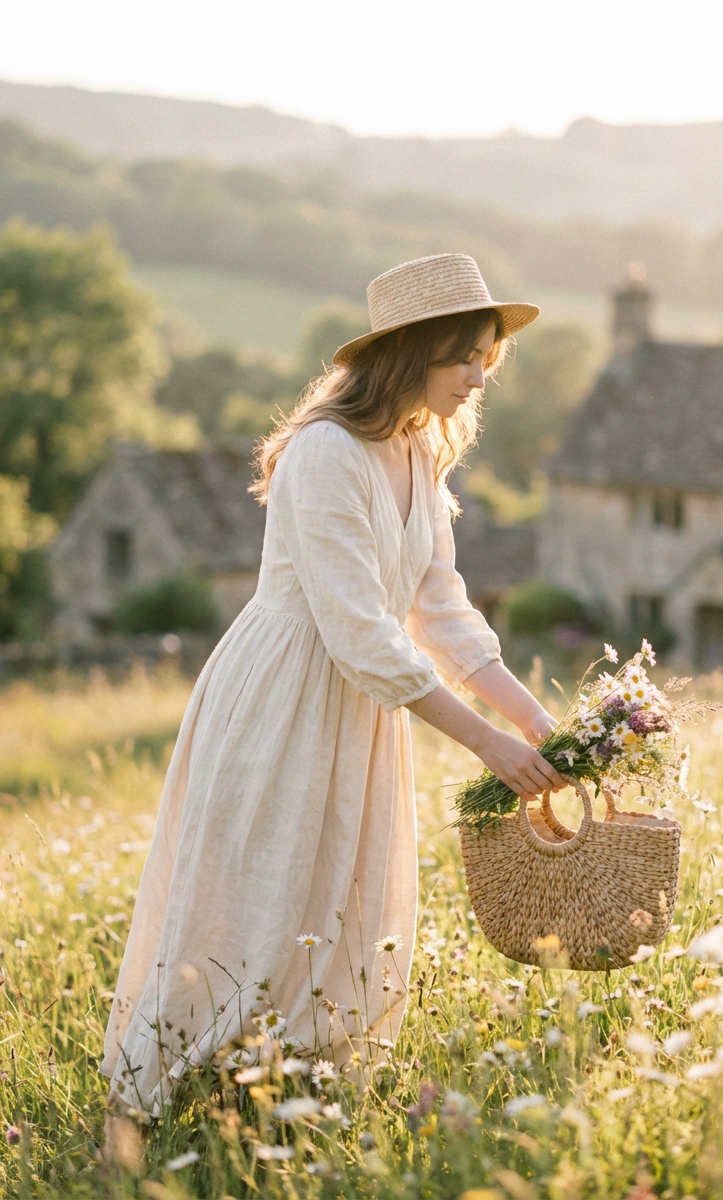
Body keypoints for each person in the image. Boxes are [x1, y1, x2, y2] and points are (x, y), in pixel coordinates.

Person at [100, 253, 566, 1117]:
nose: (477, 378)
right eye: (464, 357)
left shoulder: (419, 451)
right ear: (410, 351)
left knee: (340, 895)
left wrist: (540, 724)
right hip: (284, 694)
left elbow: (441, 607)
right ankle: (169, 1092)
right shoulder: (325, 452)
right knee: (257, 895)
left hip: (364, 703)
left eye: (487, 362)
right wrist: (488, 744)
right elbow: (359, 630)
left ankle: (292, 1084)